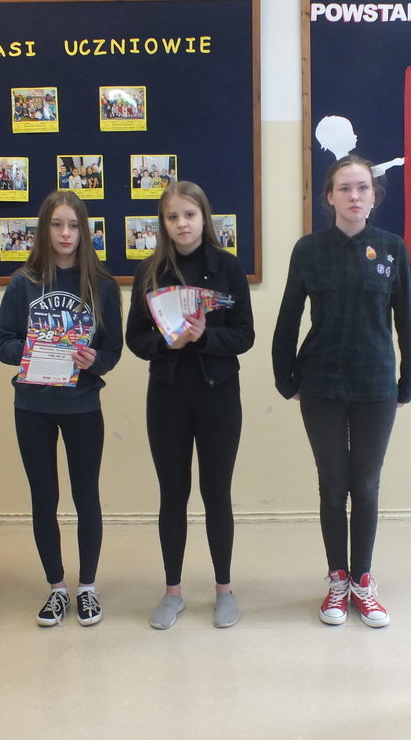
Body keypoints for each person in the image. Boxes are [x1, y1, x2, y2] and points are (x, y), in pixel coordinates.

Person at [272, 154, 411, 629]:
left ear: (375, 196)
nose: (354, 196)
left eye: (363, 188)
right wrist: (285, 377)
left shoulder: (393, 248)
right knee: (333, 486)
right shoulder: (309, 250)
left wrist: (408, 378)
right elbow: (288, 317)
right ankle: (338, 578)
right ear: (329, 197)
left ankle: (363, 581)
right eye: (345, 188)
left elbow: (406, 320)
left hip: (376, 384)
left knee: (367, 485)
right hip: (321, 384)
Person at [125, 181, 254, 630]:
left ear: (204, 217)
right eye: (173, 217)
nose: (182, 224)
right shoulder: (149, 271)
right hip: (167, 396)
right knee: (172, 495)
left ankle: (224, 590)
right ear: (163, 223)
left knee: (217, 494)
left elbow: (245, 335)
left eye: (190, 215)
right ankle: (173, 592)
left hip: (219, 394)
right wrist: (167, 342)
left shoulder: (227, 267)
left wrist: (205, 337)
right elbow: (134, 339)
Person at [0, 190, 122, 627]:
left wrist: (94, 361)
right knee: (43, 498)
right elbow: (2, 343)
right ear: (44, 229)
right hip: (33, 406)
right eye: (56, 224)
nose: (65, 233)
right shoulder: (23, 282)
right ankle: (56, 588)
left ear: (84, 231)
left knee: (86, 496)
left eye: (73, 225)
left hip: (82, 405)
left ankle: (87, 587)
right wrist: (33, 351)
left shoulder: (102, 284)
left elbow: (113, 349)